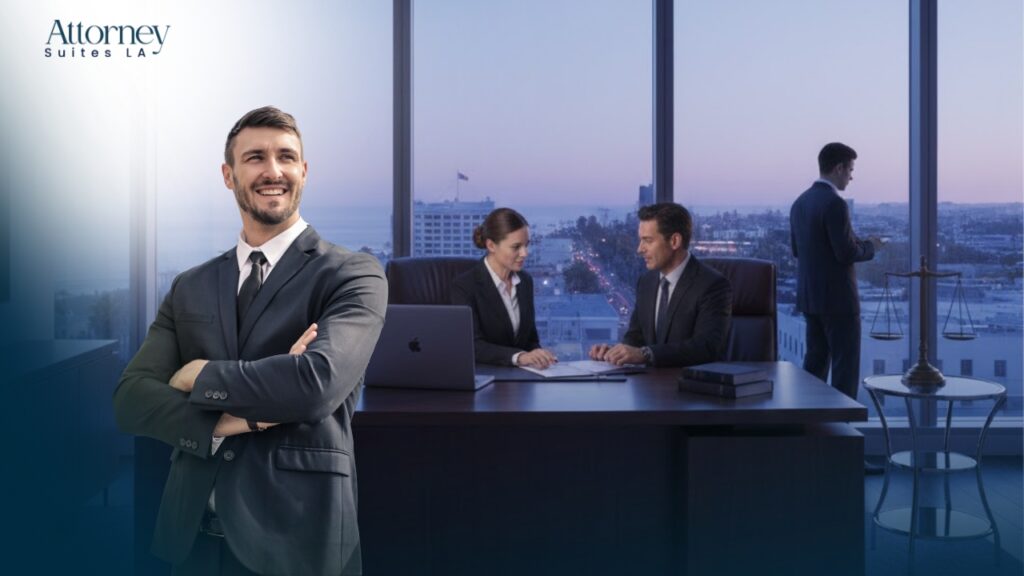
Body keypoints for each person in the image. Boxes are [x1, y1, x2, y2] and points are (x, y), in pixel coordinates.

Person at [113, 106, 387, 576]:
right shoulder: (189, 286)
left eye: (286, 157)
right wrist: (240, 420)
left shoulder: (352, 274)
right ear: (229, 174)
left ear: (304, 171)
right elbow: (130, 399)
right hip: (190, 539)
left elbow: (315, 384)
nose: (273, 170)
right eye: (256, 157)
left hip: (298, 540)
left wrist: (199, 374)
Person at [790, 142, 882, 402]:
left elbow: (797, 250)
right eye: (850, 170)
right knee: (845, 370)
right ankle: (842, 430)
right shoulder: (835, 204)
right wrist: (870, 247)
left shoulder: (800, 203)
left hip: (811, 299)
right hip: (839, 301)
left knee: (814, 366)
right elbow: (845, 253)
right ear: (839, 168)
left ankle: (808, 424)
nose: (851, 177)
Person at [589, 202, 731, 367]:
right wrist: (614, 353)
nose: (639, 249)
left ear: (675, 241)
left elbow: (706, 348)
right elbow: (635, 338)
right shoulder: (646, 282)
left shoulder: (712, 285)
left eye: (647, 241)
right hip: (649, 387)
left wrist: (646, 354)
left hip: (689, 388)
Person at [451, 207, 557, 368]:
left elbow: (530, 340)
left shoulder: (525, 281)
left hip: (521, 381)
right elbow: (473, 346)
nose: (525, 253)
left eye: (526, 245)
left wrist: (540, 355)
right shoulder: (464, 286)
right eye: (516, 247)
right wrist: (520, 357)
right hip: (485, 380)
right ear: (491, 245)